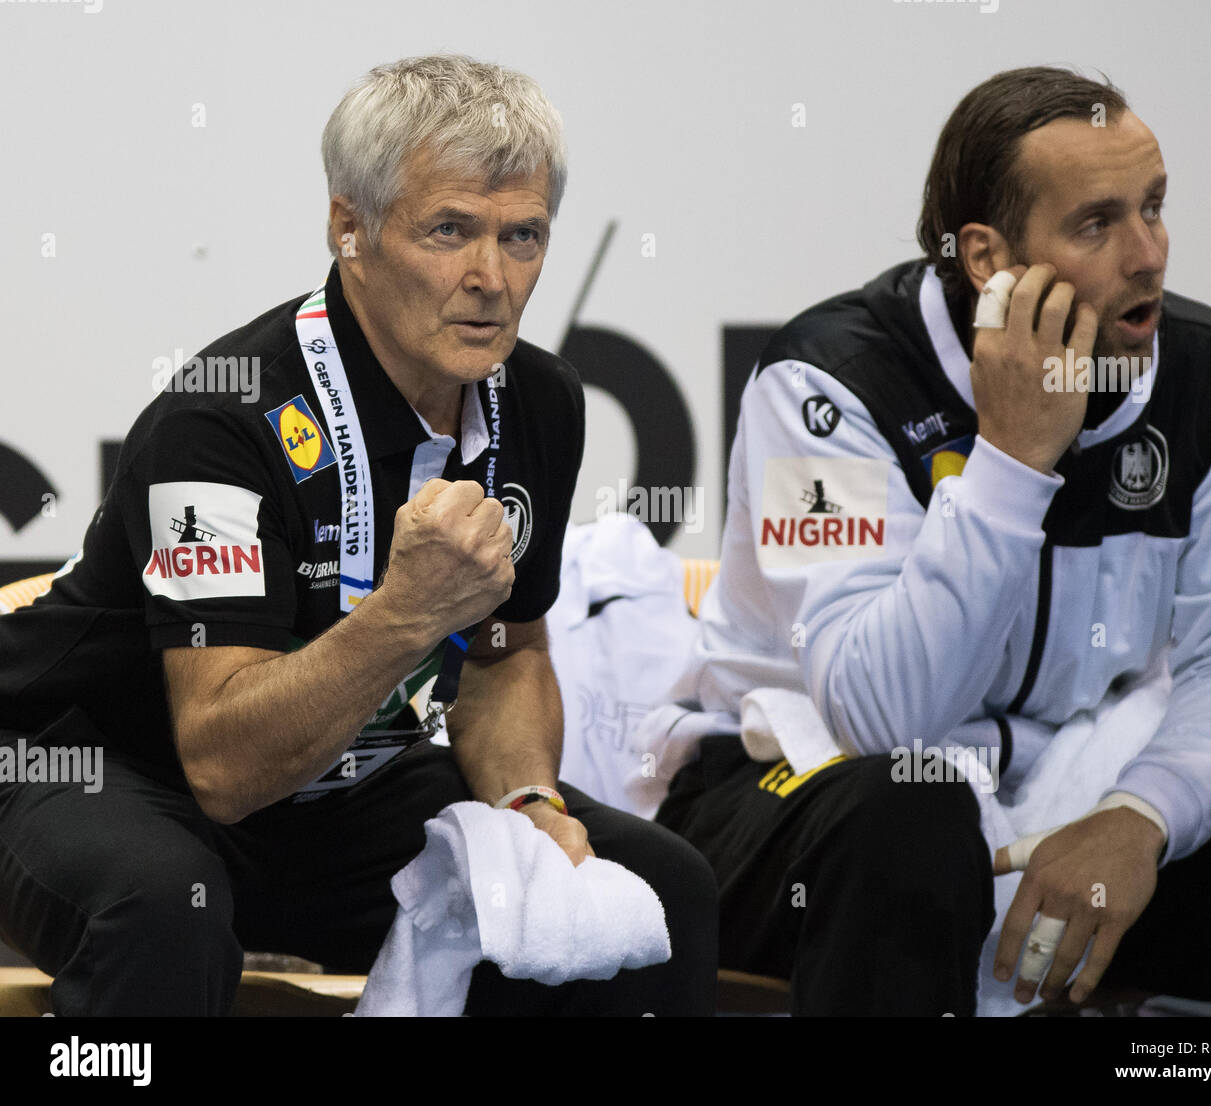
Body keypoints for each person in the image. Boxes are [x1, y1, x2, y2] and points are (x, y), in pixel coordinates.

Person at [0, 54, 717, 1017]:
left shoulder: (540, 400)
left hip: (338, 790)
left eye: (523, 237)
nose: (491, 279)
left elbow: (508, 651)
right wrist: (407, 613)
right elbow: (221, 762)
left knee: (641, 882)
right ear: (351, 228)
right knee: (163, 908)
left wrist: (527, 801)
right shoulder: (219, 421)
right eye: (450, 230)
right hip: (93, 765)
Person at [650, 66, 1211, 1016]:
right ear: (989, 258)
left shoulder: (1209, 373)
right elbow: (882, 718)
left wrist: (1140, 817)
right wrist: (1012, 459)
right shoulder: (824, 383)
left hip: (1085, 801)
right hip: (801, 796)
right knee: (912, 817)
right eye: (1098, 224)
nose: (1148, 254)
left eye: (1154, 209)